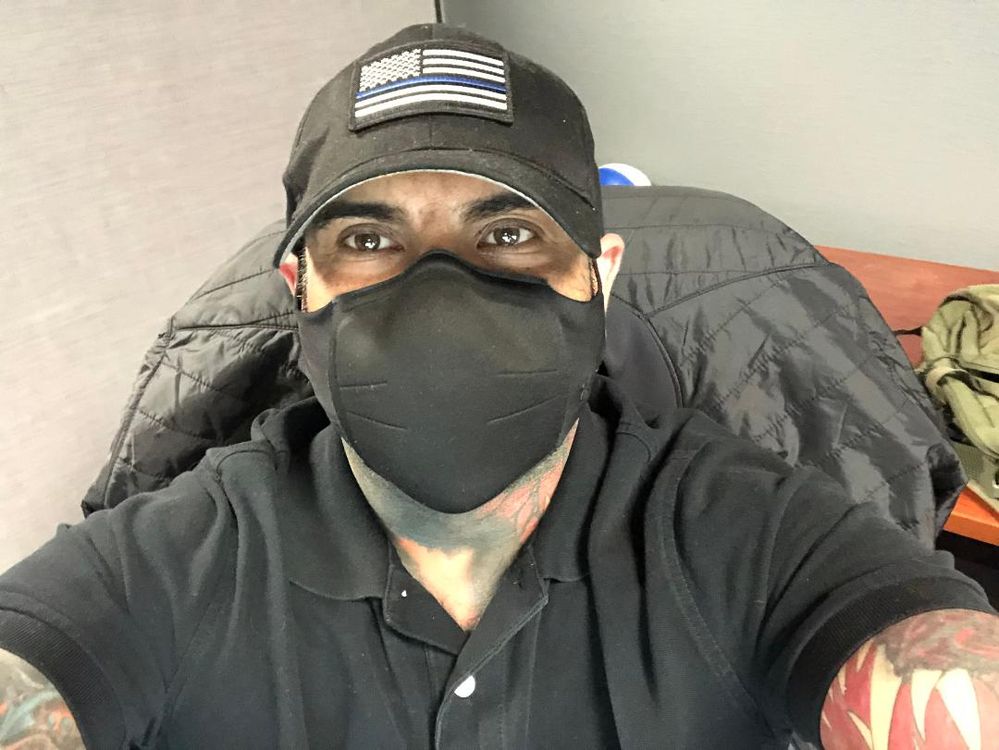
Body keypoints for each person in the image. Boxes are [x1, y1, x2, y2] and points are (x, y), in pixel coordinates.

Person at [1, 22, 997, 750]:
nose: (440, 298)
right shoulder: (173, 564)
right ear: (298, 287)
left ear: (600, 275)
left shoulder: (750, 536)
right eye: (369, 238)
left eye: (508, 232)